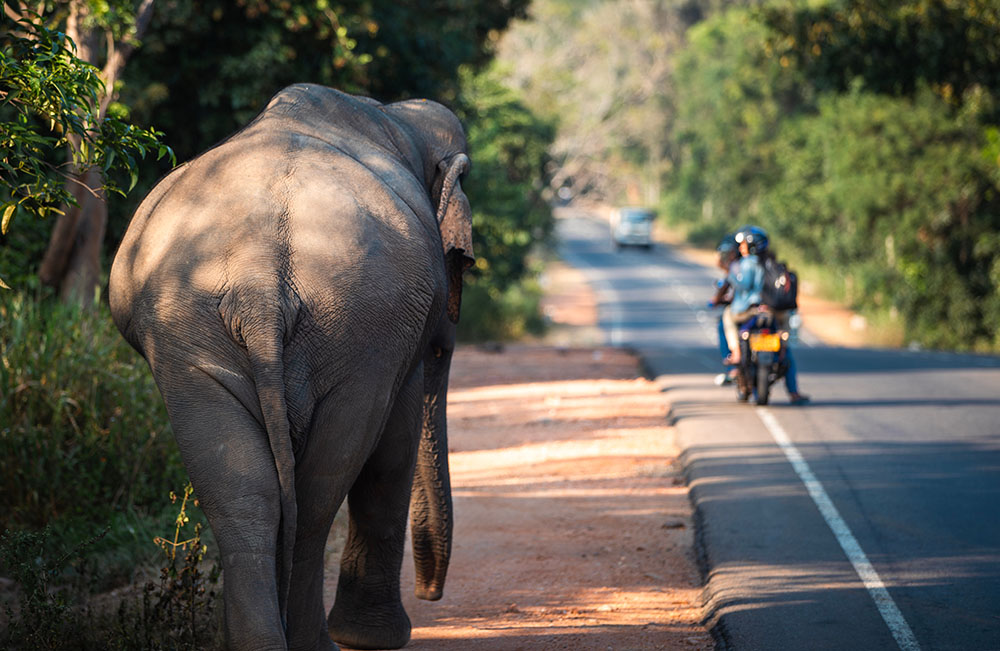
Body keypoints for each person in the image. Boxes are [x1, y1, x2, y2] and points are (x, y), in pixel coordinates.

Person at [722, 225, 809, 405]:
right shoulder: (773, 263)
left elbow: (744, 285)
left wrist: (731, 274)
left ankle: (736, 352)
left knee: (727, 317)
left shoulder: (746, 264)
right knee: (785, 349)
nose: (741, 247)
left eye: (744, 244)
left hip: (748, 310)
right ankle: (793, 392)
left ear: (752, 246)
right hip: (774, 312)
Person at [710, 234, 740, 385]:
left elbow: (727, 286)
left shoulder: (737, 267)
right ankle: (793, 391)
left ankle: (734, 363)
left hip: (743, 309)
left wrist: (717, 300)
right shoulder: (763, 262)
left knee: (724, 325)